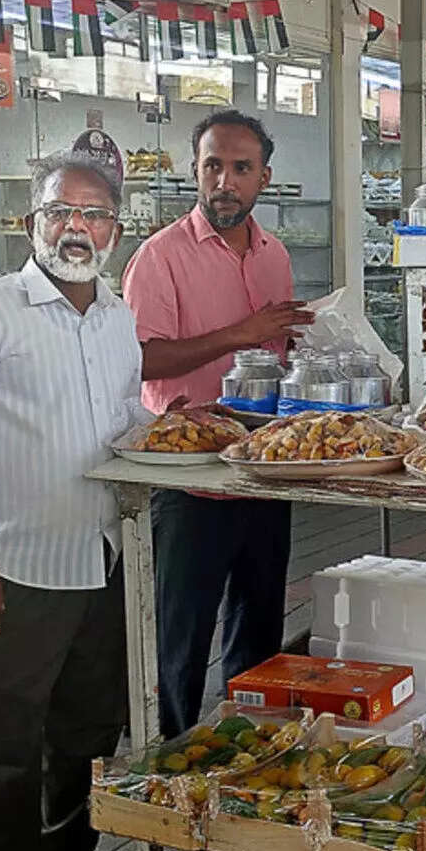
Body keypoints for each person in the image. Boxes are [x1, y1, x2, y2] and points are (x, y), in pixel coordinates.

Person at [0, 152, 148, 851]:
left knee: (86, 729)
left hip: (99, 556)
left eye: (95, 214)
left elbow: (120, 425)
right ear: (31, 224)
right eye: (61, 212)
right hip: (10, 567)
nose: (77, 228)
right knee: (0, 742)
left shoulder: (119, 318)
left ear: (117, 228)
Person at [121, 110, 314, 736]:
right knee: (181, 635)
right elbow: (142, 357)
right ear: (194, 171)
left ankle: (247, 747)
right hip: (190, 479)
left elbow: (279, 356)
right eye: (212, 166)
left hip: (263, 470)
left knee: (258, 629)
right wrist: (242, 333)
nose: (225, 181)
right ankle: (170, 757)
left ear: (264, 178)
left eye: (240, 168)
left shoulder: (274, 257)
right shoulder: (160, 258)